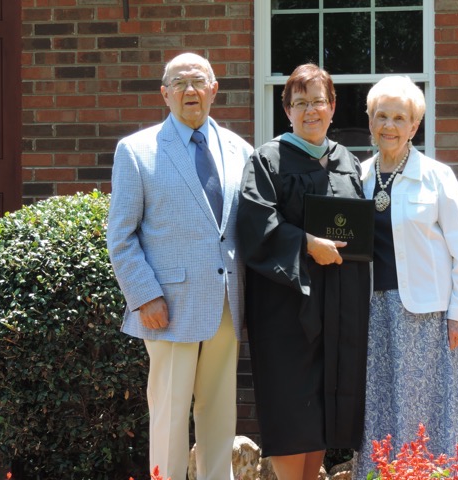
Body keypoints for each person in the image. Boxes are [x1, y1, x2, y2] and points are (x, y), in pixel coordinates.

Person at [106, 52, 253, 480]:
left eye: (199, 82)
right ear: (164, 94)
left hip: (227, 305)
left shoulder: (239, 150)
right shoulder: (137, 151)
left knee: (220, 414)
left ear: (214, 91)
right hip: (166, 307)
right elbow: (121, 234)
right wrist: (143, 294)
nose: (191, 91)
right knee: (170, 414)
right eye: (180, 83)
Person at [237, 64, 371, 480]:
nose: (310, 110)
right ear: (287, 111)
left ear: (333, 107)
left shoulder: (347, 160)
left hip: (339, 306)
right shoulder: (268, 160)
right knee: (291, 403)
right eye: (300, 103)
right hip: (287, 307)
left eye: (318, 101)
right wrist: (307, 244)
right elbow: (255, 227)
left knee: (321, 411)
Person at [352, 76, 458, 479]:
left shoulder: (437, 177)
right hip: (371, 314)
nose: (389, 125)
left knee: (426, 412)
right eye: (381, 116)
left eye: (399, 118)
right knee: (379, 408)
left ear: (414, 126)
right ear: (370, 122)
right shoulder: (357, 176)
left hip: (426, 318)